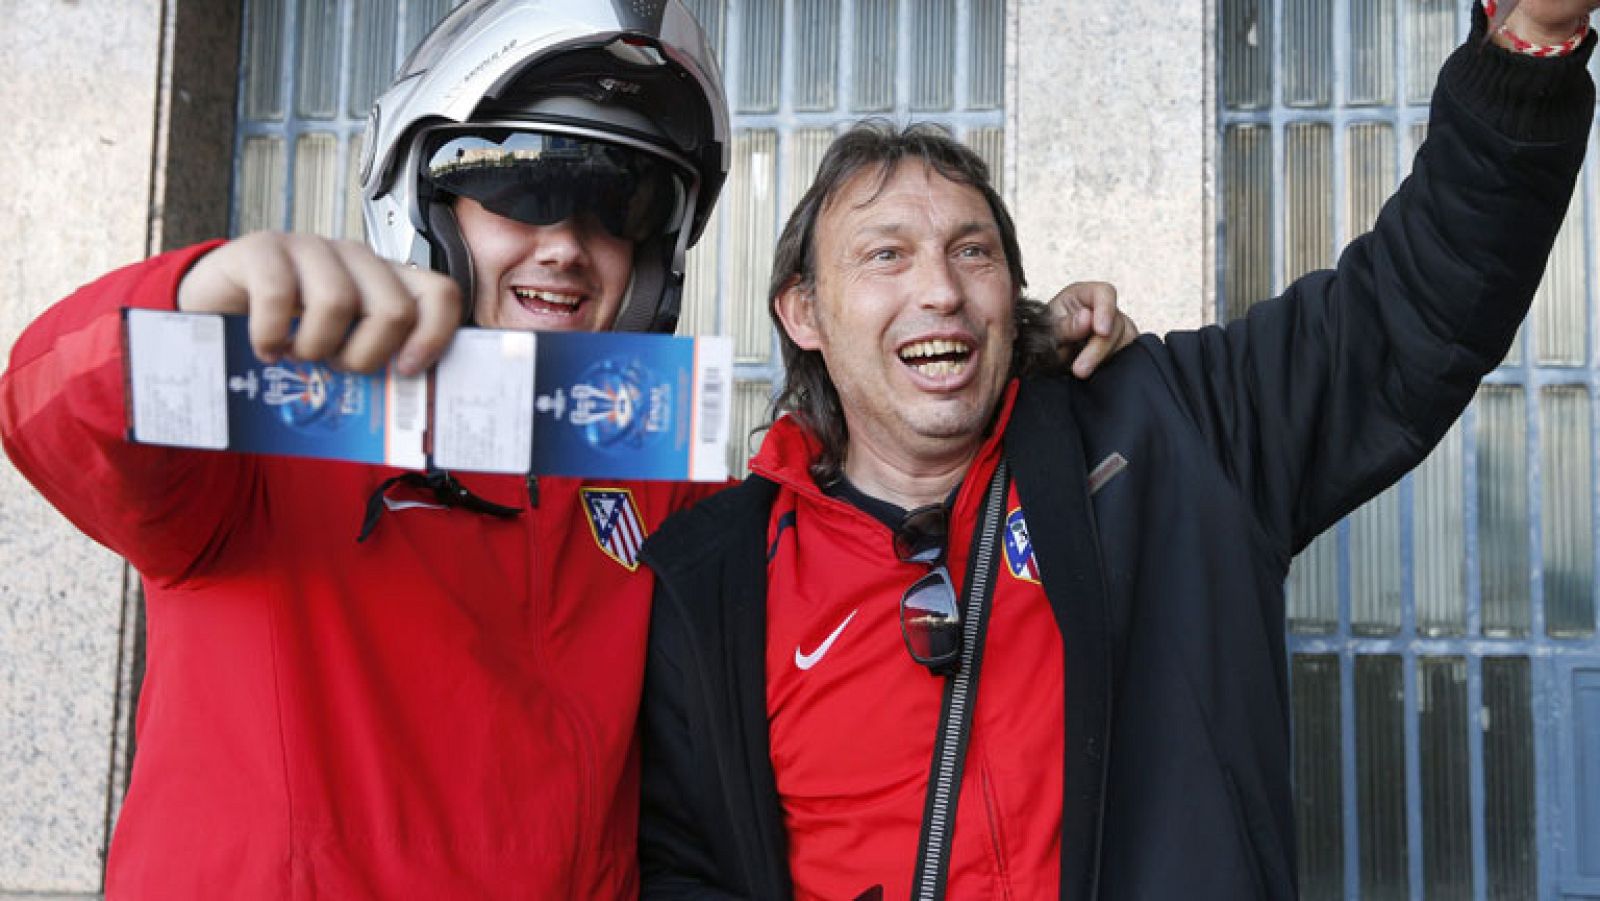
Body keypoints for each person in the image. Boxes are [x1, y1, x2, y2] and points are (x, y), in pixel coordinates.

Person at [0, 0, 1131, 896]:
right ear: (425, 197)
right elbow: (53, 413)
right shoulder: (276, 422)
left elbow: (835, 515)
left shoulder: (651, 479)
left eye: (619, 206)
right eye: (522, 188)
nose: (569, 247)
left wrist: (1009, 358)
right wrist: (190, 300)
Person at [635, 2, 1598, 898]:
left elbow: (1408, 312)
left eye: (973, 251)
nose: (939, 288)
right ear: (803, 311)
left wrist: (1530, 43)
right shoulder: (712, 581)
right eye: (885, 254)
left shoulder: (1170, 436)